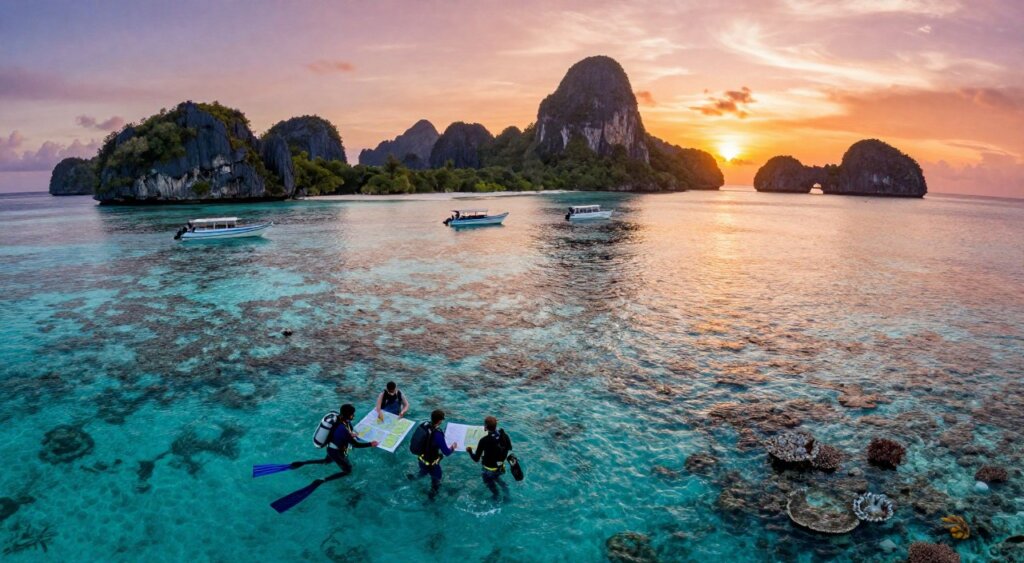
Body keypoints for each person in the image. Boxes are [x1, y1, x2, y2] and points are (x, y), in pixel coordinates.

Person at [290, 404, 378, 481]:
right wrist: (370, 444)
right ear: (348, 415)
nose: (353, 416)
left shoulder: (339, 419)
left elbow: (340, 433)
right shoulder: (343, 429)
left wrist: (349, 434)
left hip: (331, 449)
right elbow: (355, 444)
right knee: (348, 470)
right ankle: (323, 480)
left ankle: (302, 463)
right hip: (336, 452)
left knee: (326, 461)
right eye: (352, 414)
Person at [409, 409, 457, 499]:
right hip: (432, 464)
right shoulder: (437, 434)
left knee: (423, 472)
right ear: (440, 421)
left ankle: (413, 479)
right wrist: (453, 447)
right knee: (436, 482)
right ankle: (430, 501)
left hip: (421, 459)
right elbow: (446, 452)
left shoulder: (424, 425)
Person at [467, 416, 512, 499]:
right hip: (500, 467)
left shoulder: (484, 440)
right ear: (496, 425)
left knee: (492, 486)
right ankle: (507, 495)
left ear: (485, 427)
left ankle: (496, 497)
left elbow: (476, 459)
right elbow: (509, 448)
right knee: (497, 479)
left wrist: (470, 451)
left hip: (488, 470)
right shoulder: (504, 436)